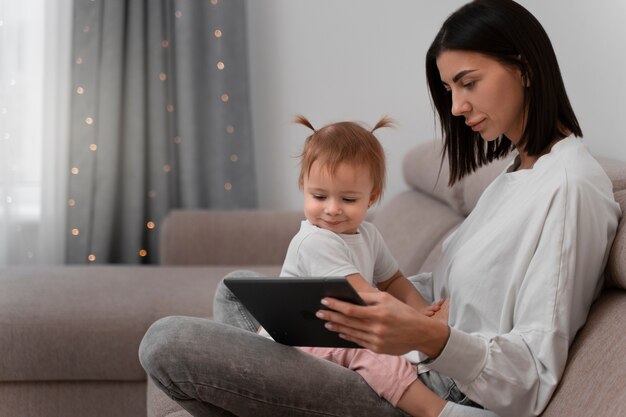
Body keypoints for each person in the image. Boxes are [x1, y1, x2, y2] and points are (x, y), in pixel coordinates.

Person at [139, 1, 621, 416]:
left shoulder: (572, 188)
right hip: (414, 350)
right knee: (236, 290)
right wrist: (399, 310)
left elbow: (532, 377)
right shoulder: (517, 172)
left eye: (467, 83)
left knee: (166, 343)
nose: (455, 107)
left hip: (436, 389)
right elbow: (461, 292)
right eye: (450, 89)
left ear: (524, 67)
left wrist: (429, 337)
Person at [258, 114, 446, 415]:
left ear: (371, 197)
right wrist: (415, 328)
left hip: (335, 328)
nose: (332, 210)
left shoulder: (368, 234)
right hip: (297, 340)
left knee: (370, 344)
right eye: (319, 196)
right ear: (303, 186)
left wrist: (420, 309)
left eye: (347, 199)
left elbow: (392, 280)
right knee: (372, 355)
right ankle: (435, 410)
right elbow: (365, 298)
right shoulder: (316, 241)